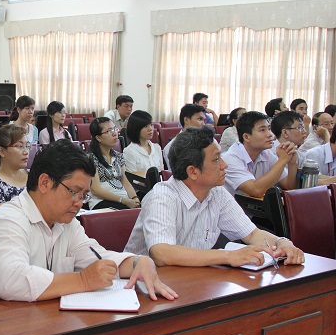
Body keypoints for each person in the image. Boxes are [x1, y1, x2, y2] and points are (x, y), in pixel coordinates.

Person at [0, 139, 178, 302]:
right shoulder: (7, 220)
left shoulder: (65, 221)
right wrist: (83, 280)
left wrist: (137, 262)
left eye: (84, 195)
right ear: (45, 183)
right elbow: (11, 281)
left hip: (44, 319)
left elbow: (97, 257)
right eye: (74, 192)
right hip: (0, 328)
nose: (79, 203)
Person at [124, 127, 305, 268]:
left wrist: (282, 243)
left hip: (191, 279)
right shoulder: (162, 197)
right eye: (216, 159)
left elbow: (251, 234)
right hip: (144, 285)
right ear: (193, 172)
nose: (224, 165)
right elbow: (162, 254)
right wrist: (229, 256)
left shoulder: (216, 193)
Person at [222, 111, 297, 197]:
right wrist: (282, 160)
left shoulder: (266, 153)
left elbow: (289, 186)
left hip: (255, 204)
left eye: (269, 129)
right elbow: (255, 190)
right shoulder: (229, 159)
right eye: (262, 130)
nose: (270, 134)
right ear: (246, 137)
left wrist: (292, 163)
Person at [88, 118, 139, 209]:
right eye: (109, 131)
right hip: (101, 202)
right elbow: (96, 190)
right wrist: (123, 200)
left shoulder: (118, 156)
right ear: (98, 138)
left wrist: (134, 198)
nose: (115, 133)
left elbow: (125, 181)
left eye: (115, 129)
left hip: (124, 200)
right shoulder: (91, 158)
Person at [163, 104, 207, 171]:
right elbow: (176, 174)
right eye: (200, 119)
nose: (203, 124)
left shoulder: (208, 141)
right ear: (186, 120)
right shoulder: (172, 147)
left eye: (204, 120)